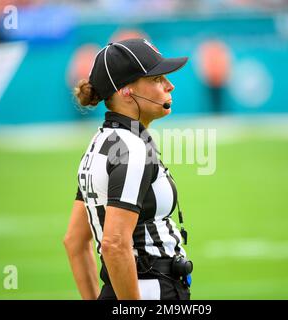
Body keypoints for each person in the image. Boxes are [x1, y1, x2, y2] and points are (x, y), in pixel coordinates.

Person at [63, 38, 193, 300]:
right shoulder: (130, 148)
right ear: (126, 91)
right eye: (157, 79)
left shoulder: (101, 142)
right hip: (151, 289)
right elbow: (113, 244)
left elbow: (74, 242)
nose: (170, 85)